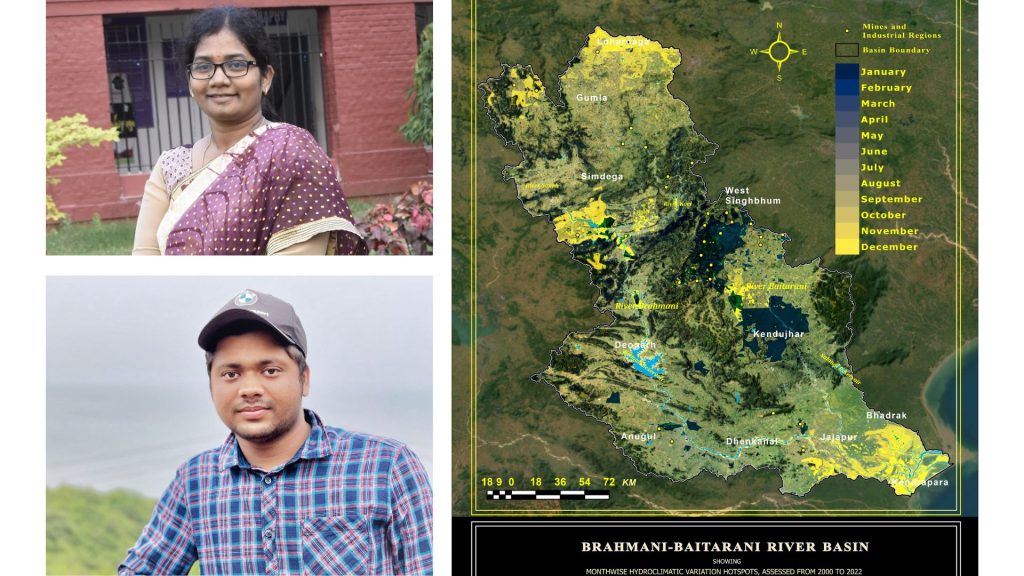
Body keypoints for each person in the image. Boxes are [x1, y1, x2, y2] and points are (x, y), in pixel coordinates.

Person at [119, 289, 432, 574]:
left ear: (303, 379)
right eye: (231, 374)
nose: (250, 389)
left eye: (270, 370)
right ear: (211, 384)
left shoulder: (386, 466)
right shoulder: (195, 481)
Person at [131, 6, 366, 255]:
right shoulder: (170, 167)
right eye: (203, 67)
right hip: (173, 295)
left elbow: (293, 278)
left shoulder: (292, 153)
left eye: (235, 64)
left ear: (265, 78)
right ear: (190, 82)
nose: (218, 79)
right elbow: (145, 264)